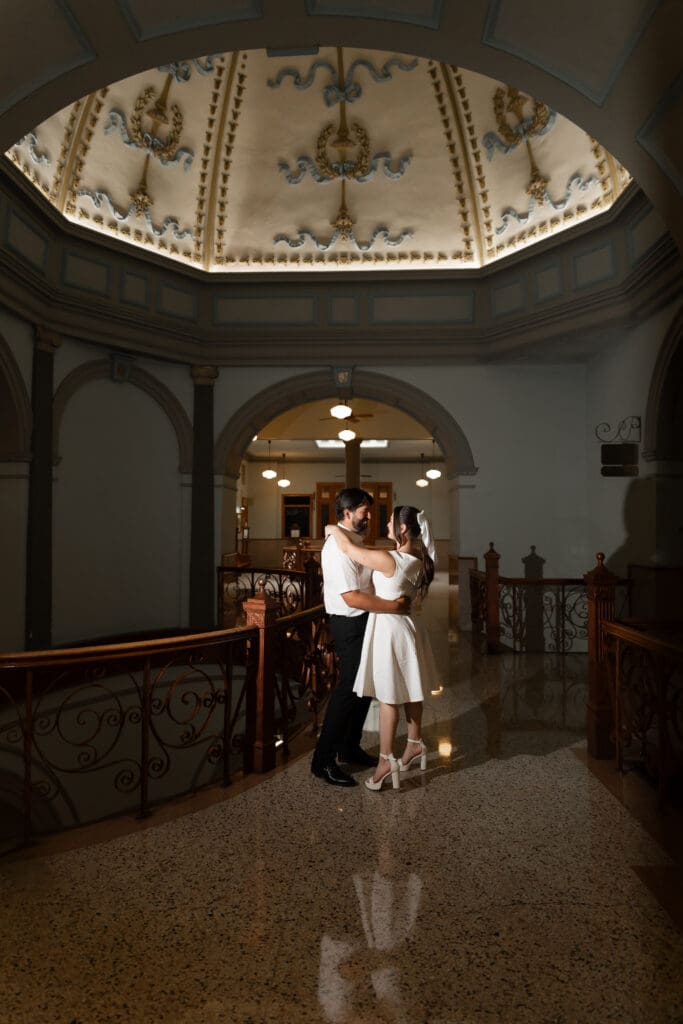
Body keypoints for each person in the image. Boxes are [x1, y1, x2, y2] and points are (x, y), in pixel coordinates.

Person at [325, 505, 436, 792]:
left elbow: (349, 550)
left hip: (390, 629)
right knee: (411, 689)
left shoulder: (390, 560)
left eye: (389, 522)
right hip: (408, 627)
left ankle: (386, 761)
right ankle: (414, 743)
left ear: (401, 529)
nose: (386, 525)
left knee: (389, 698)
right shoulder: (421, 557)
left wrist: (332, 528)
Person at [311, 488, 411, 788]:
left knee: (365, 687)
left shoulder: (351, 539)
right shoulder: (336, 547)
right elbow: (351, 597)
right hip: (349, 621)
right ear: (346, 513)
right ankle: (322, 761)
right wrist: (393, 607)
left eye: (369, 510)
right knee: (347, 689)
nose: (370, 516)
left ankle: (349, 747)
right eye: (364, 511)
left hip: (366, 617)